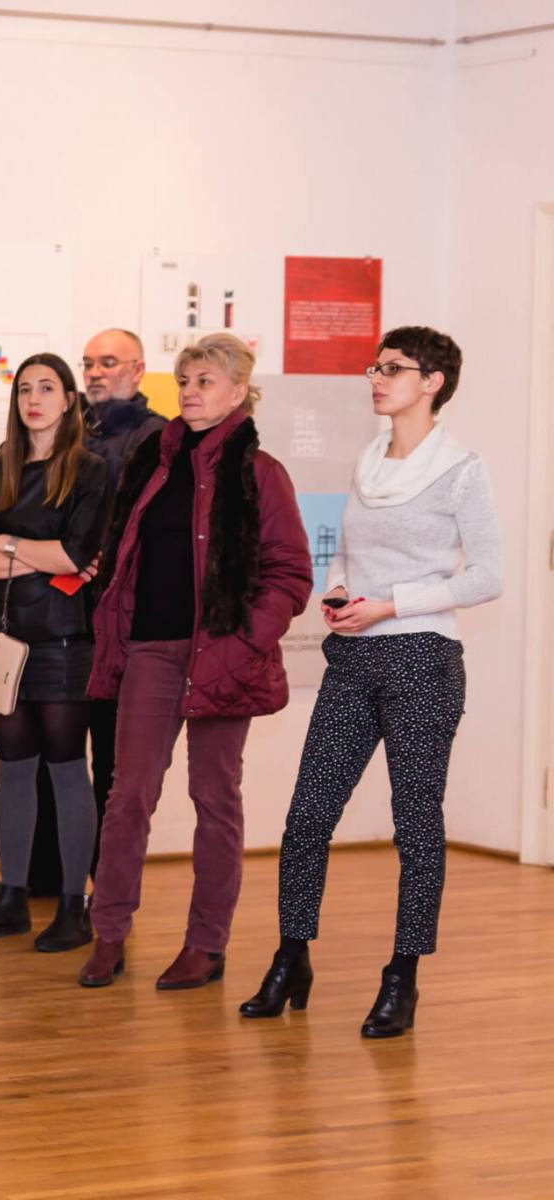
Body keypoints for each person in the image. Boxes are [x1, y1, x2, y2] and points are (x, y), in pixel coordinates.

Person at [242, 327, 500, 1037]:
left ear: (433, 382)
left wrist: (391, 605)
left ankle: (402, 977)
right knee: (307, 817)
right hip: (353, 659)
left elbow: (487, 576)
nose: (377, 379)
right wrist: (339, 592)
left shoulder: (462, 470)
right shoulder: (369, 460)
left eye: (393, 369)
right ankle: (291, 958)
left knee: (415, 827)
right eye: (374, 368)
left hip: (423, 659)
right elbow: (349, 555)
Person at [77, 333, 313, 990]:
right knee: (128, 794)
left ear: (238, 391)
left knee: (215, 797)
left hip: (223, 654)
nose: (189, 392)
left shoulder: (261, 472)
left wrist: (243, 643)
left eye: (205, 380)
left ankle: (206, 945)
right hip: (150, 648)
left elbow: (291, 574)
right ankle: (109, 932)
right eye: (184, 381)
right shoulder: (152, 462)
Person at [0, 329, 166, 901]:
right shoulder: (64, 434)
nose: (95, 372)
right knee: (39, 753)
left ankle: (102, 890)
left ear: (138, 369)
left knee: (105, 760)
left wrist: (60, 553)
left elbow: (123, 533)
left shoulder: (153, 437)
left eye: (108, 362)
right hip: (50, 611)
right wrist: (47, 554)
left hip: (115, 617)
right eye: (88, 363)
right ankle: (41, 876)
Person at [0, 354, 109, 951]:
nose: (33, 399)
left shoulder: (90, 470)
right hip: (1, 638)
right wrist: (40, 554)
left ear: (68, 399)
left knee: (67, 768)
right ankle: (13, 900)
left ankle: (73, 907)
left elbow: (76, 555)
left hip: (64, 641)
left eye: (46, 388)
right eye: (23, 390)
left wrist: (9, 543)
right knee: (13, 766)